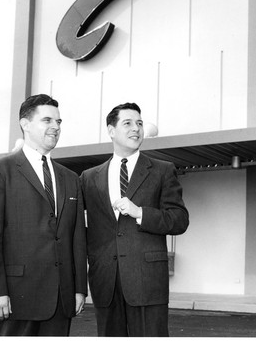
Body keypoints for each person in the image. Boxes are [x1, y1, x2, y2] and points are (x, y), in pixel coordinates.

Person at [0, 94, 87, 336]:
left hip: (61, 302)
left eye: (59, 122)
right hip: (13, 300)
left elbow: (77, 237)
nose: (55, 127)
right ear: (25, 124)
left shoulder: (71, 178)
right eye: (47, 120)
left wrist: (79, 289)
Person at [80, 102, 189, 337]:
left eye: (139, 123)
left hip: (147, 281)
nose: (136, 129)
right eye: (127, 123)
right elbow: (80, 228)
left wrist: (140, 212)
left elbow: (179, 219)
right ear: (111, 130)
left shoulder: (162, 170)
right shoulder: (89, 177)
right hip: (105, 282)